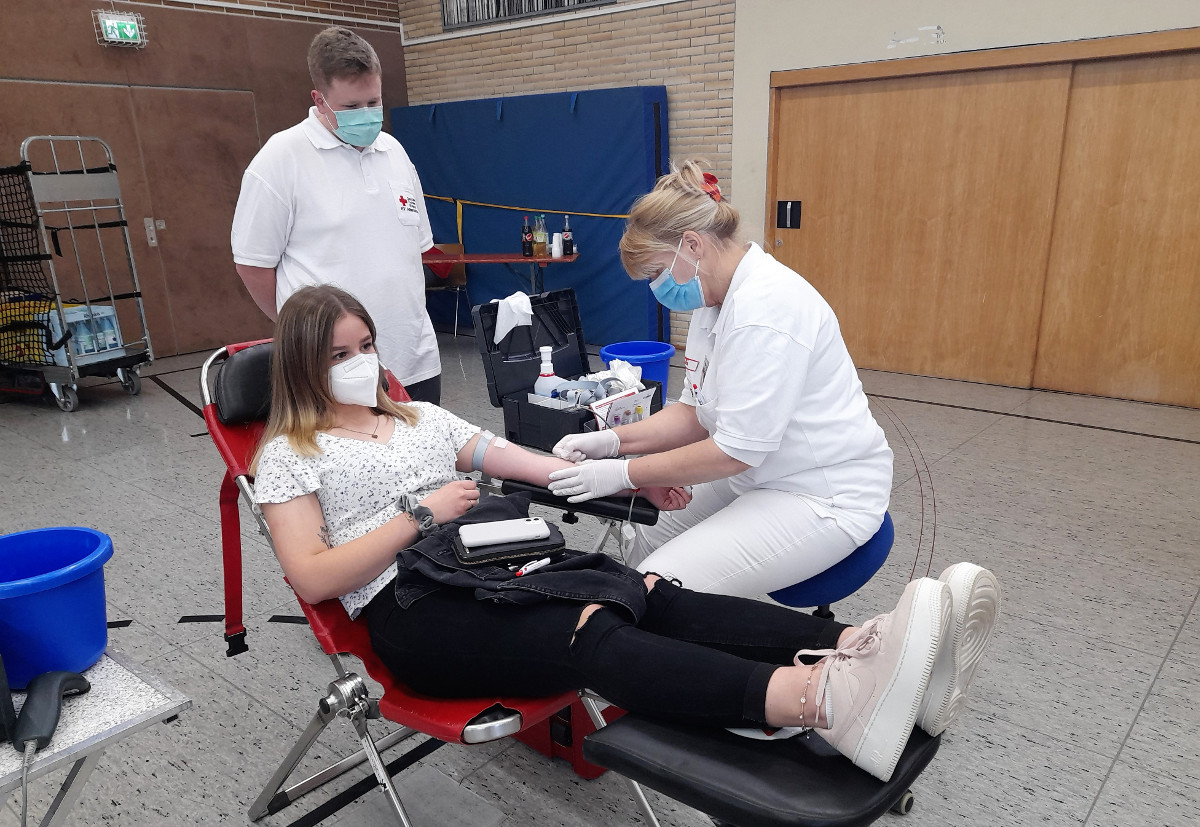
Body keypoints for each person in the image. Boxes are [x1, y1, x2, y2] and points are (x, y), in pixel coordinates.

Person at [252, 284, 1000, 782]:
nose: (361, 364)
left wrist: (622, 470)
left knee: (646, 590)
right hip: (412, 608)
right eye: (339, 355)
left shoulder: (413, 416)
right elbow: (313, 577)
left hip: (495, 558)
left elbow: (515, 461)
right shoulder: (291, 451)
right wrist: (417, 518)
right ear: (302, 366)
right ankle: (822, 701)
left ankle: (869, 649)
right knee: (590, 635)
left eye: (366, 346)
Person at [547, 161, 894, 597]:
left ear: (692, 245)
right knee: (645, 537)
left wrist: (623, 473)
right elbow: (694, 411)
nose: (655, 287)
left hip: (819, 493)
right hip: (758, 473)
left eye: (655, 273)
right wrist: (614, 441)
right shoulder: (714, 300)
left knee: (658, 589)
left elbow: (735, 450)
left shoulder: (766, 312)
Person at [231, 26, 448, 404]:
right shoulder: (281, 159)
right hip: (333, 371)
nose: (366, 116)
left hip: (414, 360)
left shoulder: (394, 152)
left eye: (373, 103)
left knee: (425, 462)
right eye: (351, 107)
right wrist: (308, 334)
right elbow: (253, 266)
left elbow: (415, 250)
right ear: (319, 99)